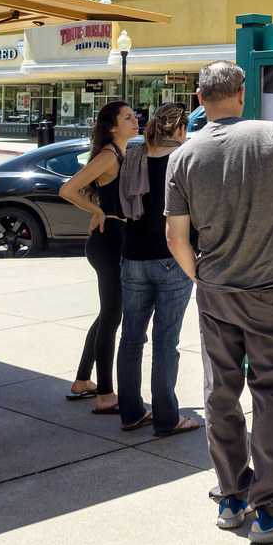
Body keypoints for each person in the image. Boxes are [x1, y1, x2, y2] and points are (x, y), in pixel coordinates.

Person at [165, 60, 273, 544]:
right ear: (242, 93)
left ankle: (232, 496)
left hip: (217, 293)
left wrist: (201, 277)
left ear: (198, 96)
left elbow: (176, 237)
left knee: (220, 392)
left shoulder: (183, 156)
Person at [115, 103, 199, 436]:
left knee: (131, 339)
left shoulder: (134, 156)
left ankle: (131, 413)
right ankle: (166, 419)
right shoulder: (185, 160)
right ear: (180, 130)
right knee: (166, 344)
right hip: (171, 258)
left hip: (132, 256)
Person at [59, 101, 140, 414]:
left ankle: (83, 380)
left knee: (108, 314)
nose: (135, 120)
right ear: (112, 126)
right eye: (128, 117)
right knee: (111, 317)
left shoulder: (122, 154)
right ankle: (105, 394)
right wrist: (98, 211)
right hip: (108, 243)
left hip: (112, 241)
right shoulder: (108, 155)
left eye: (135, 116)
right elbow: (68, 189)